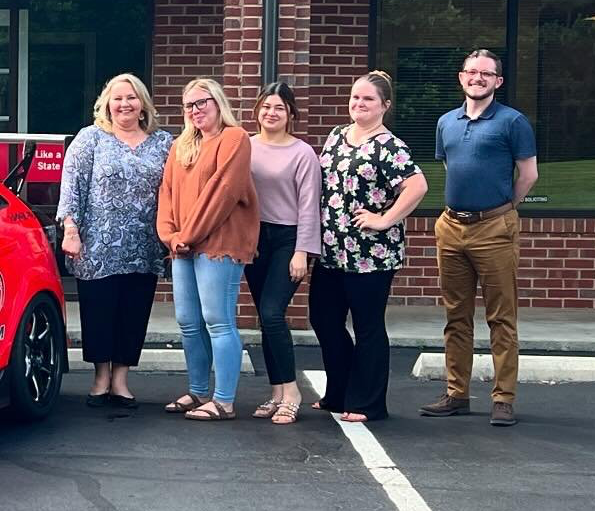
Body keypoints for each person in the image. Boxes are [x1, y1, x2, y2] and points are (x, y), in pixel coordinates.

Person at [421, 48, 538, 427]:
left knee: (501, 318)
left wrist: (503, 207)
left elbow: (528, 175)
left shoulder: (513, 122)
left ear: (497, 81)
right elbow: (449, 165)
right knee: (456, 316)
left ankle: (503, 398)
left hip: (494, 227)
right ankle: (457, 394)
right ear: (461, 77)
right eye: (471, 72)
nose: (478, 78)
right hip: (452, 226)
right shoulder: (446, 122)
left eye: (486, 74)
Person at [309, 71, 428, 423]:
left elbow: (417, 186)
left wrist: (385, 218)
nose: (359, 104)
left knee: (368, 326)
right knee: (324, 319)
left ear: (384, 106)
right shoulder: (336, 135)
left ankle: (368, 403)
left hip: (371, 255)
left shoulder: (390, 146)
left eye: (368, 99)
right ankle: (339, 391)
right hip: (331, 249)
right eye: (355, 97)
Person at [57, 73, 174, 410]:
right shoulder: (90, 138)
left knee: (133, 313)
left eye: (132, 98)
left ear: (143, 105)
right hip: (97, 245)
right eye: (118, 98)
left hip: (145, 245)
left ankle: (121, 379)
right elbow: (72, 187)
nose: (125, 104)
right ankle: (100, 378)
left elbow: (178, 189)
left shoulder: (163, 142)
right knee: (99, 311)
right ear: (107, 104)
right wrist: (71, 229)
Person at [156, 78, 260, 422]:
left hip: (220, 243)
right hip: (183, 246)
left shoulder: (235, 138)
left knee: (218, 320)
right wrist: (170, 236)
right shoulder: (180, 146)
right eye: (189, 105)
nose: (196, 110)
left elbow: (223, 192)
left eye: (203, 102)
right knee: (188, 321)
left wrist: (190, 234)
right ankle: (199, 391)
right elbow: (167, 192)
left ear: (218, 103)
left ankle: (224, 400)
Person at [244, 82, 321, 425]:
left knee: (274, 313)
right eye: (265, 107)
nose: (271, 113)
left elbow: (309, 207)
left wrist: (302, 251)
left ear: (290, 113)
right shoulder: (245, 147)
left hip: (288, 239)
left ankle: (292, 391)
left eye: (278, 107)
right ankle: (276, 393)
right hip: (254, 237)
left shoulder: (302, 153)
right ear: (257, 111)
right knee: (265, 316)